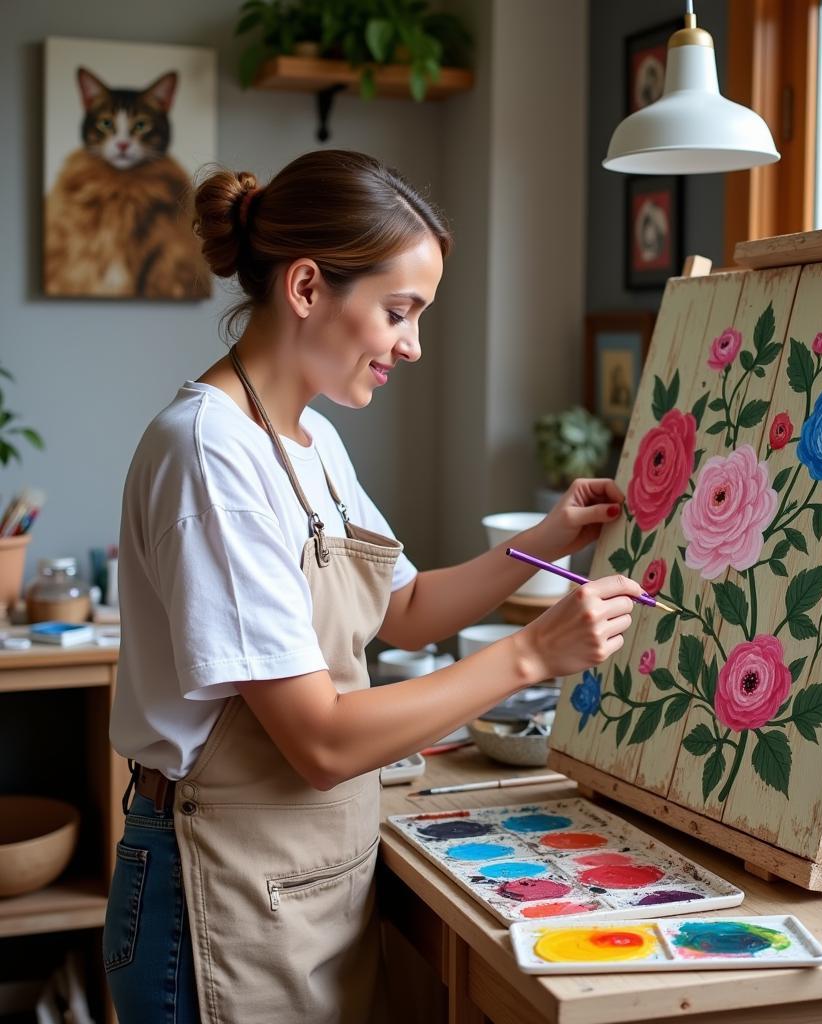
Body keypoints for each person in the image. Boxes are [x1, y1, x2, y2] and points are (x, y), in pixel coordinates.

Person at [103, 149, 642, 1024]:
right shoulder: (208, 451)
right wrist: (532, 653)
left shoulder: (310, 439)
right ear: (308, 288)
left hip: (302, 879)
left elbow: (406, 609)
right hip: (214, 890)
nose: (414, 345)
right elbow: (318, 740)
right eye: (399, 312)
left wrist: (552, 538)